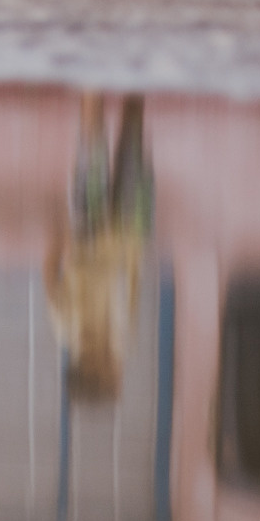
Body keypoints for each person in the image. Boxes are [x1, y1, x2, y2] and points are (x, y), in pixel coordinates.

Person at [46, 94, 154, 406]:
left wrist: (65, 233)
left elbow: (50, 271)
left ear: (91, 370)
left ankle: (91, 81)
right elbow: (132, 285)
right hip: (131, 230)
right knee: (134, 134)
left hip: (88, 227)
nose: (118, 369)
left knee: (92, 142)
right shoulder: (123, 342)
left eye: (111, 375)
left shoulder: (66, 327)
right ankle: (136, 69)